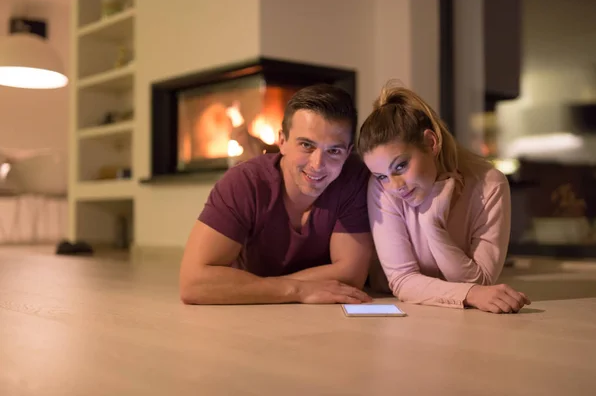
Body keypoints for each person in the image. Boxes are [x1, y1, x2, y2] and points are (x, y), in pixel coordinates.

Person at [179, 84, 375, 305]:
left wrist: (250, 287)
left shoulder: (354, 179)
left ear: (348, 152)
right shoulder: (244, 183)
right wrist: (296, 290)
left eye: (334, 151)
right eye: (306, 145)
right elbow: (193, 283)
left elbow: (350, 274)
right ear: (282, 141)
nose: (318, 164)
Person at [356, 82, 531, 314]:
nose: (395, 185)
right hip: (392, 305)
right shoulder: (381, 189)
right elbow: (402, 281)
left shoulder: (490, 185)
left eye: (401, 166)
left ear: (431, 142)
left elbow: (482, 282)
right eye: (381, 175)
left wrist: (433, 226)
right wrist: (470, 294)